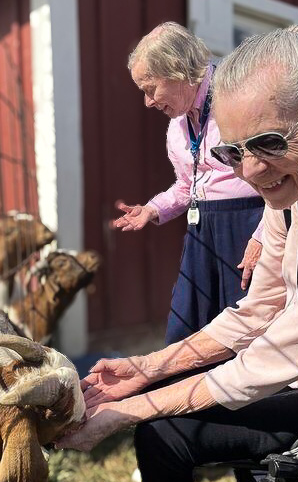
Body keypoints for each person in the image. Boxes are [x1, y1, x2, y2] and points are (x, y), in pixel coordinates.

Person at [57, 24, 298, 482]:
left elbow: (262, 363)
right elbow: (255, 315)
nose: (251, 171)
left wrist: (129, 410)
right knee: (171, 430)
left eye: (269, 143)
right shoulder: (289, 202)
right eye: (233, 151)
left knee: (163, 432)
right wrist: (144, 368)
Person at [113, 22, 265, 345]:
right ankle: (186, 396)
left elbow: (277, 175)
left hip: (247, 227)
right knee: (185, 329)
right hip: (202, 231)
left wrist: (264, 236)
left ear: (177, 70)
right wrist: (152, 210)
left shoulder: (235, 97)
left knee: (243, 337)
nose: (148, 102)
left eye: (150, 88)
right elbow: (188, 184)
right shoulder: (177, 125)